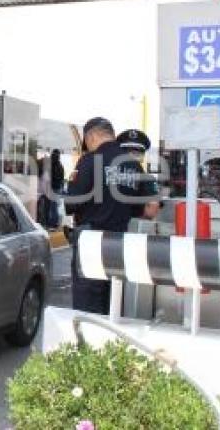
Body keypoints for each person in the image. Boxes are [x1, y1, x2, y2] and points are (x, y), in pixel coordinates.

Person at [65, 117, 153, 314]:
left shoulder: (89, 161)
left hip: (91, 243)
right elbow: (151, 209)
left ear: (92, 136)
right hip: (120, 244)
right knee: (113, 304)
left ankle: (89, 344)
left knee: (87, 307)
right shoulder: (133, 165)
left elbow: (70, 204)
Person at [116, 129, 160, 220]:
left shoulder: (106, 172)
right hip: (134, 229)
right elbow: (152, 210)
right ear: (142, 157)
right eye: (128, 151)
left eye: (135, 152)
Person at [47, 149, 65, 228]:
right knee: (54, 206)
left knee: (53, 206)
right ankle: (54, 222)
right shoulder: (59, 165)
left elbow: (51, 177)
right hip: (58, 187)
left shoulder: (53, 165)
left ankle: (53, 223)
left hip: (54, 187)